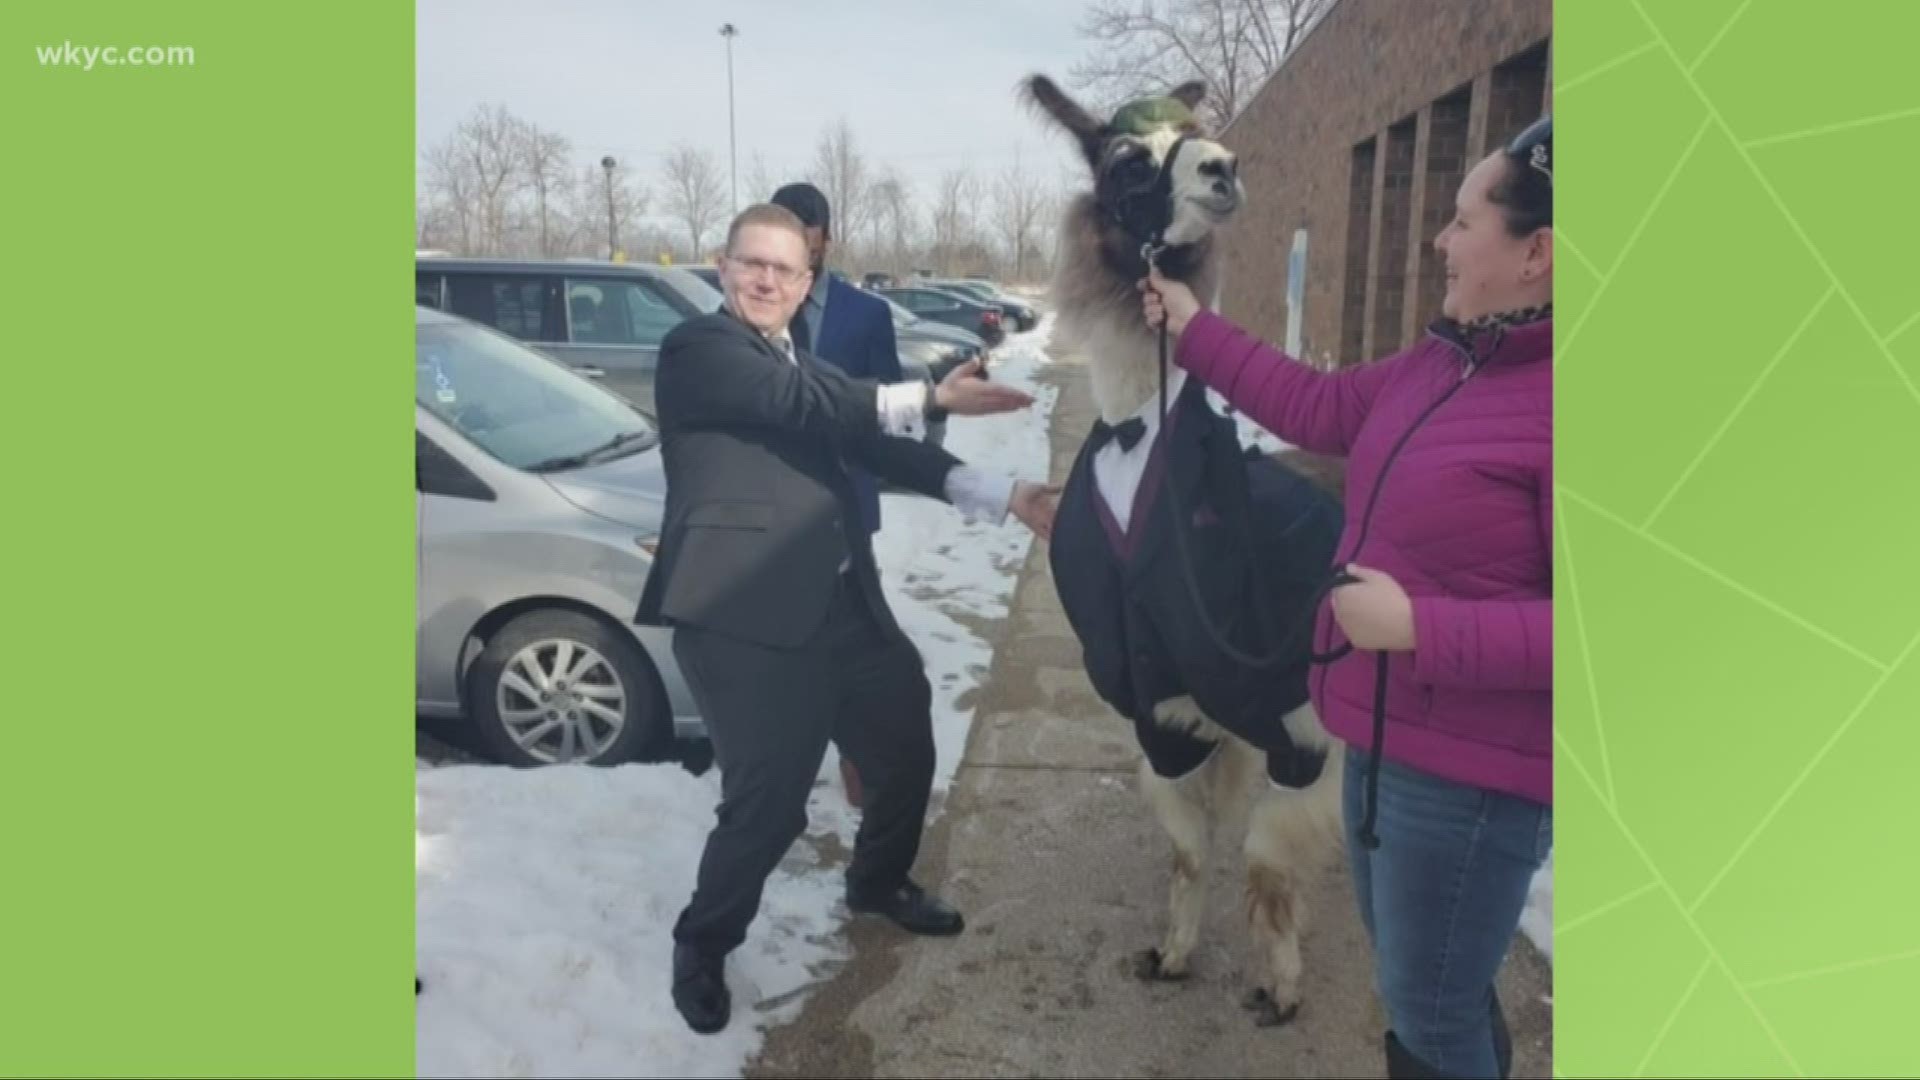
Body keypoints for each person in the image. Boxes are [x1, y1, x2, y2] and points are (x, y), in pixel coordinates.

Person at [1141, 116, 1554, 1080]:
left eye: (1461, 221)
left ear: (1537, 254)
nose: (1439, 240)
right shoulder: (1440, 365)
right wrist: (1193, 327)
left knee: (1431, 1013)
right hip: (1376, 741)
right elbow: (1311, 406)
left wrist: (1421, 628)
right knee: (1432, 986)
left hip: (1469, 783)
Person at [636, 202, 1059, 1036]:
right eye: (750, 263)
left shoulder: (804, 362)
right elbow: (807, 405)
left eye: (783, 269)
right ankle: (703, 943)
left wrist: (1000, 491)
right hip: (744, 621)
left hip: (842, 604)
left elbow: (873, 442)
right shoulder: (700, 351)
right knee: (770, 804)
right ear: (723, 268)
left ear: (805, 283)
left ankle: (875, 882)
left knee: (904, 745)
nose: (765, 279)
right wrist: (930, 394)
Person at [768, 180, 907, 811]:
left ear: (827, 234)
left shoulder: (866, 314)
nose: (803, 235)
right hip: (778, 508)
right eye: (789, 225)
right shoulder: (754, 311)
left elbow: (888, 410)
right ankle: (784, 756)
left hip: (848, 503)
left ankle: (858, 755)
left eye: (811, 225)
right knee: (790, 636)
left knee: (857, 635)